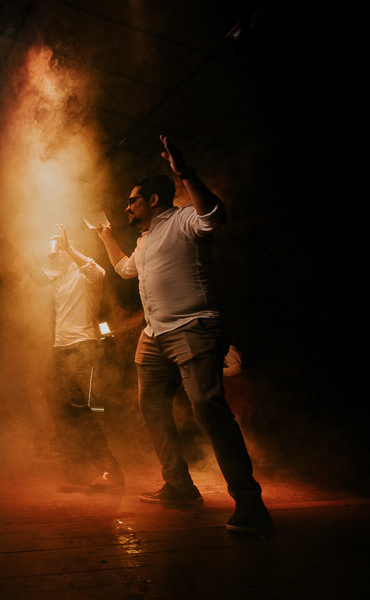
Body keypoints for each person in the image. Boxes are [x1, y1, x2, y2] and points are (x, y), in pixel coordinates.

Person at [96, 135, 271, 534]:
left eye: (133, 200)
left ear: (154, 200)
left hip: (193, 326)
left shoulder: (184, 218)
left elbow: (213, 217)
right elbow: (125, 270)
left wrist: (184, 174)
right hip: (154, 335)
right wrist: (106, 235)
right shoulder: (143, 242)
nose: (127, 206)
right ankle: (179, 486)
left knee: (209, 409)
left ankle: (250, 504)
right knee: (152, 408)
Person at [26, 225, 124, 490]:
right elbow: (36, 274)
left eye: (66, 247)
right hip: (61, 349)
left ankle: (111, 470)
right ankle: (80, 470)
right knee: (62, 411)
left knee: (87, 410)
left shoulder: (87, 275)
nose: (59, 251)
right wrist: (22, 252)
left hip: (84, 347)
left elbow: (99, 271)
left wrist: (69, 248)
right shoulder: (58, 277)